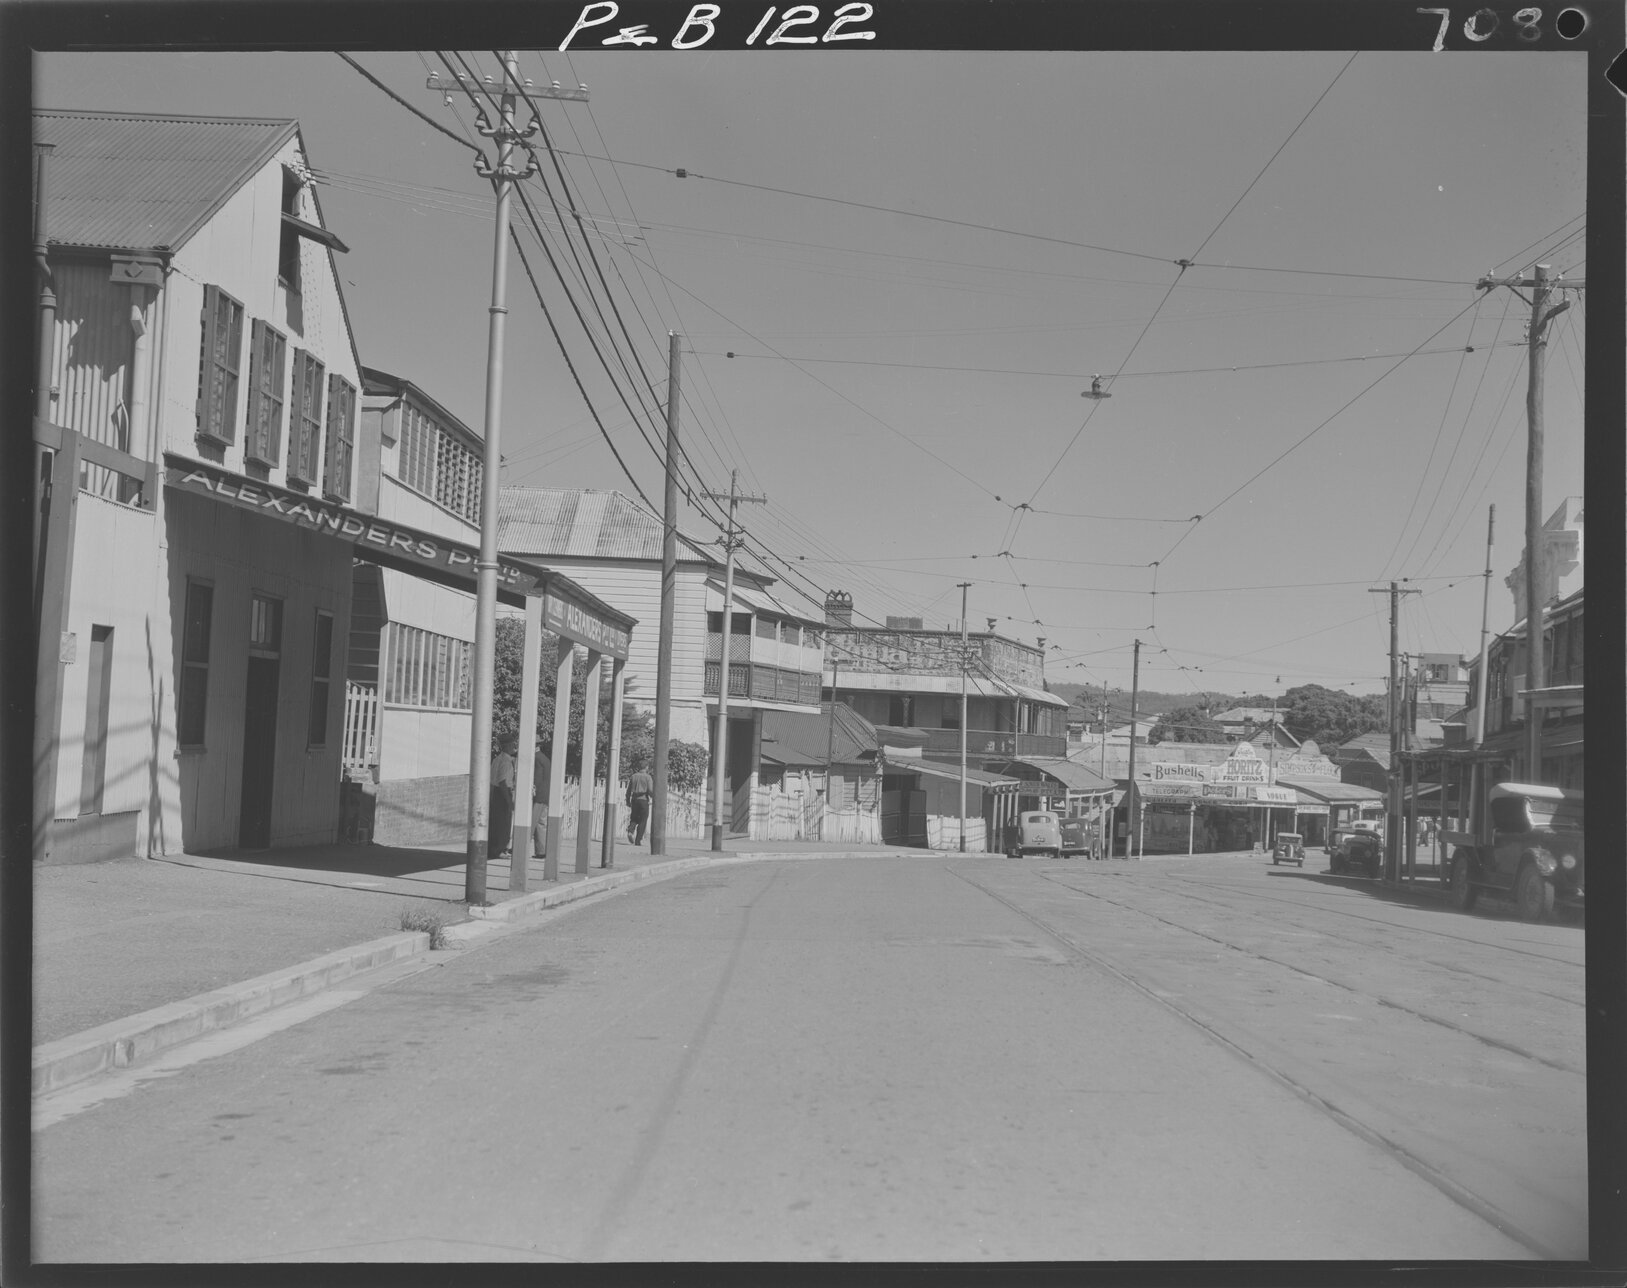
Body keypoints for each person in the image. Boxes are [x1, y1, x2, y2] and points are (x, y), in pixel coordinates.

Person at [490, 736, 517, 859]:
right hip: (503, 792)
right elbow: (502, 782)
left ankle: (493, 848)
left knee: (495, 821)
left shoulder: (496, 759)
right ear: (506, 746)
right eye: (512, 745)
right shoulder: (506, 762)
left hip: (495, 792)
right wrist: (508, 800)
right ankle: (499, 849)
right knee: (504, 822)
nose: (514, 747)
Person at [626, 766, 654, 846]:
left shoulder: (633, 776)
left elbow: (628, 790)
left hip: (634, 799)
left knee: (634, 818)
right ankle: (638, 840)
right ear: (646, 767)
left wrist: (628, 800)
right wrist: (655, 798)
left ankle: (630, 831)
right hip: (643, 800)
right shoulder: (648, 777)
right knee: (643, 820)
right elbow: (650, 790)